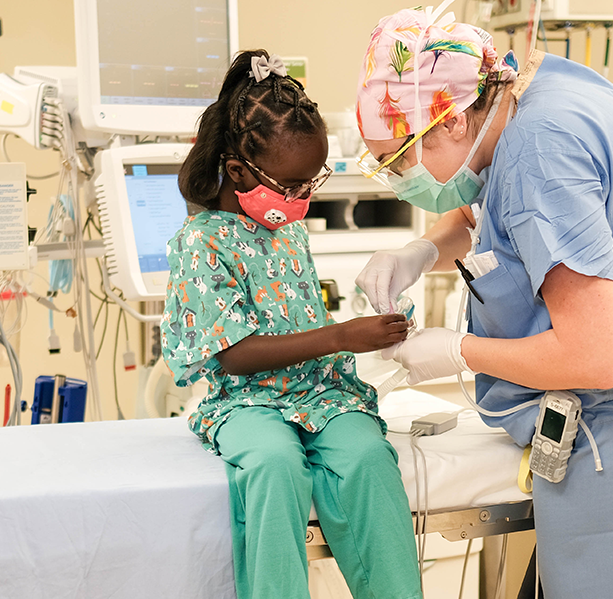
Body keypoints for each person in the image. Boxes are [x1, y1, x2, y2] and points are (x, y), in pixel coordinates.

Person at [354, 6, 613, 599]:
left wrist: (459, 352)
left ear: (451, 122)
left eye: (399, 158)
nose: (400, 177)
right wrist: (422, 250)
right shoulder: (533, 94)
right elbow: (491, 206)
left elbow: (595, 356)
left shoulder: (539, 155)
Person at [161, 50, 423, 599]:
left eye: (311, 182)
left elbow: (298, 313)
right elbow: (233, 354)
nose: (303, 197)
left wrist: (372, 320)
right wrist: (342, 336)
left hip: (321, 392)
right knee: (275, 464)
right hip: (247, 399)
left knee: (368, 458)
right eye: (292, 185)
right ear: (237, 171)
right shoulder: (203, 241)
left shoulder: (285, 229)